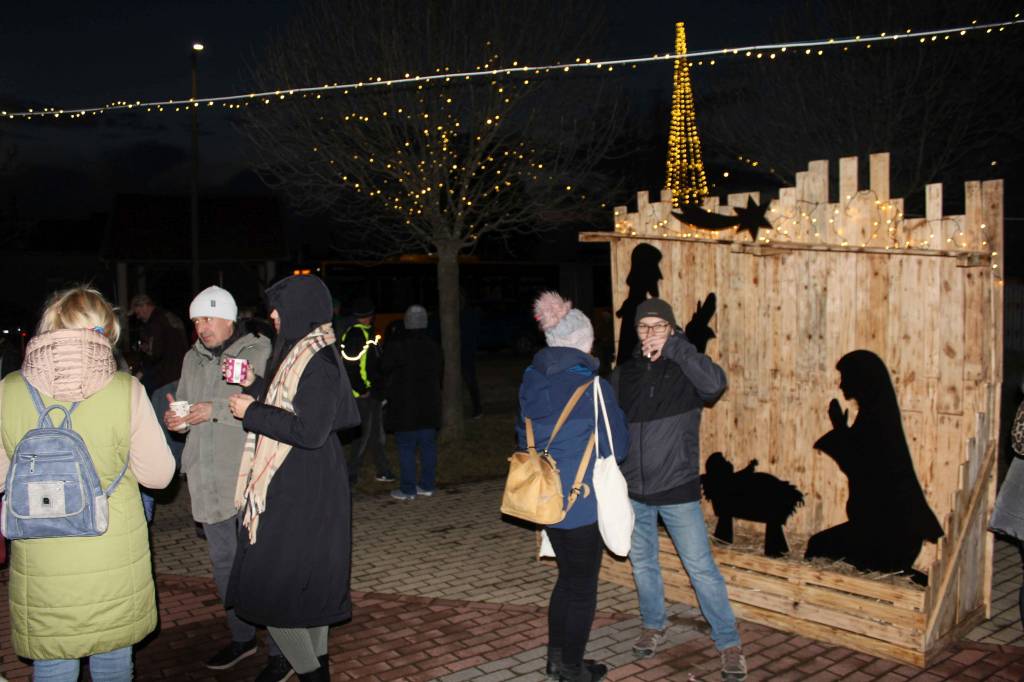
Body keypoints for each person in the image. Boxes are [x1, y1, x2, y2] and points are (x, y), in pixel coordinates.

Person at [0, 286, 175, 680]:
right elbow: (159, 475)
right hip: (112, 551)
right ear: (106, 332)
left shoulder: (8, 389)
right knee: (113, 663)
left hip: (42, 560)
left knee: (53, 662)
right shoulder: (126, 389)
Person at [227, 274, 361, 681]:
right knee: (305, 590)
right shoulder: (301, 351)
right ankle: (317, 672)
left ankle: (312, 675)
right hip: (298, 482)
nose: (273, 316)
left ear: (300, 310)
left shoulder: (317, 360)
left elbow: (310, 430)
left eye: (279, 309)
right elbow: (291, 402)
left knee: (274, 592)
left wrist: (251, 412)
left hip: (303, 489)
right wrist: (256, 385)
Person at [609, 297, 747, 681]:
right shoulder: (626, 374)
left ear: (672, 329)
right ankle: (653, 624)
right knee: (643, 565)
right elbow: (609, 423)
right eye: (644, 326)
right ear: (636, 332)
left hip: (677, 489)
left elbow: (716, 385)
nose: (651, 332)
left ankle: (728, 642)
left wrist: (677, 350)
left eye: (659, 326)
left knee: (701, 569)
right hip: (634, 492)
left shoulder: (686, 368)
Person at [161, 286, 282, 679]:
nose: (202, 327)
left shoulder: (257, 350)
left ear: (229, 319)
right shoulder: (191, 358)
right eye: (197, 320)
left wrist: (209, 410)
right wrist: (177, 421)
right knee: (224, 568)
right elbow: (185, 405)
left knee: (261, 567)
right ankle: (242, 637)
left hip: (246, 480)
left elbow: (265, 407)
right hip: (207, 482)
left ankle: (281, 650)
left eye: (209, 318)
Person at [518, 292, 628, 682]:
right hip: (580, 503)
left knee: (566, 579)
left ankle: (556, 660)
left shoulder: (530, 379)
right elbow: (618, 447)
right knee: (582, 588)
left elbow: (524, 436)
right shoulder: (594, 388)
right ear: (584, 342)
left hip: (543, 497)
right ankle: (571, 668)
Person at [806, 350, 943, 581]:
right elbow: (864, 460)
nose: (841, 385)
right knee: (824, 548)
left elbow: (862, 464)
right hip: (888, 530)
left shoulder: (876, 418)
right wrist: (842, 430)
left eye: (845, 377)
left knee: (818, 547)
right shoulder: (876, 414)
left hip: (890, 534)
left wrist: (840, 433)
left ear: (860, 379)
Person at [381, 305, 442, 500]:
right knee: (428, 447)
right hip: (429, 406)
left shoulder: (397, 346)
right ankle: (427, 485)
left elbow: (384, 370)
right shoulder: (434, 346)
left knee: (406, 447)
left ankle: (408, 489)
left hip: (404, 407)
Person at [341, 296, 394, 484]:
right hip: (364, 395)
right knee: (364, 436)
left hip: (373, 392)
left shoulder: (366, 332)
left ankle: (383, 470)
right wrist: (362, 389)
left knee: (374, 434)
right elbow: (351, 366)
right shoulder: (356, 335)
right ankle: (350, 474)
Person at [130, 293, 188, 396]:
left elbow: (156, 354)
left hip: (166, 375)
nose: (138, 317)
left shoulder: (156, 322)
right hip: (181, 370)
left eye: (138, 313)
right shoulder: (167, 315)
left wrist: (141, 372)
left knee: (140, 390)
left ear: (144, 306)